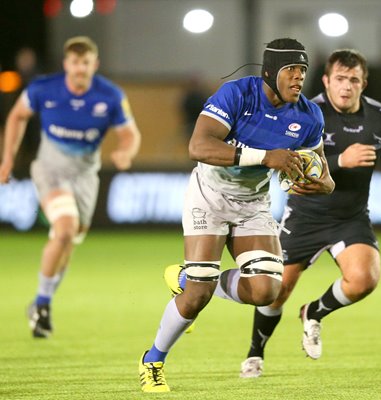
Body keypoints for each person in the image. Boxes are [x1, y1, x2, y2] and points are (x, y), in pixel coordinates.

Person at [138, 38, 335, 393]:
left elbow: (324, 174)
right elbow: (198, 146)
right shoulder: (237, 94)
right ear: (270, 72)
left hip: (253, 203)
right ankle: (153, 359)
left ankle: (192, 278)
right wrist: (264, 157)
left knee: (265, 291)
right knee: (196, 297)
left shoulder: (308, 115)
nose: (298, 79)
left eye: (303, 71)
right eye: (291, 70)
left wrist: (319, 183)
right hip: (208, 196)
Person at [237, 48, 381, 378]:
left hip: (350, 218)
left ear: (363, 83)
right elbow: (285, 161)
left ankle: (314, 312)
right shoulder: (302, 114)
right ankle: (256, 353)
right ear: (326, 81)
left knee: (365, 279)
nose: (346, 86)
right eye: (340, 78)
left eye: (354, 80)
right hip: (305, 217)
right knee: (276, 290)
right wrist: (340, 162)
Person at [0, 36, 141, 339]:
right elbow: (17, 117)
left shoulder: (110, 95)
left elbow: (130, 133)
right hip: (50, 170)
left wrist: (125, 152)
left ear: (95, 64)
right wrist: (7, 159)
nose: (80, 69)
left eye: (86, 63)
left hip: (86, 176)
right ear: (66, 64)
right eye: (75, 63)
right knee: (64, 229)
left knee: (69, 238)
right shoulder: (43, 88)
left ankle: (42, 302)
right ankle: (41, 304)